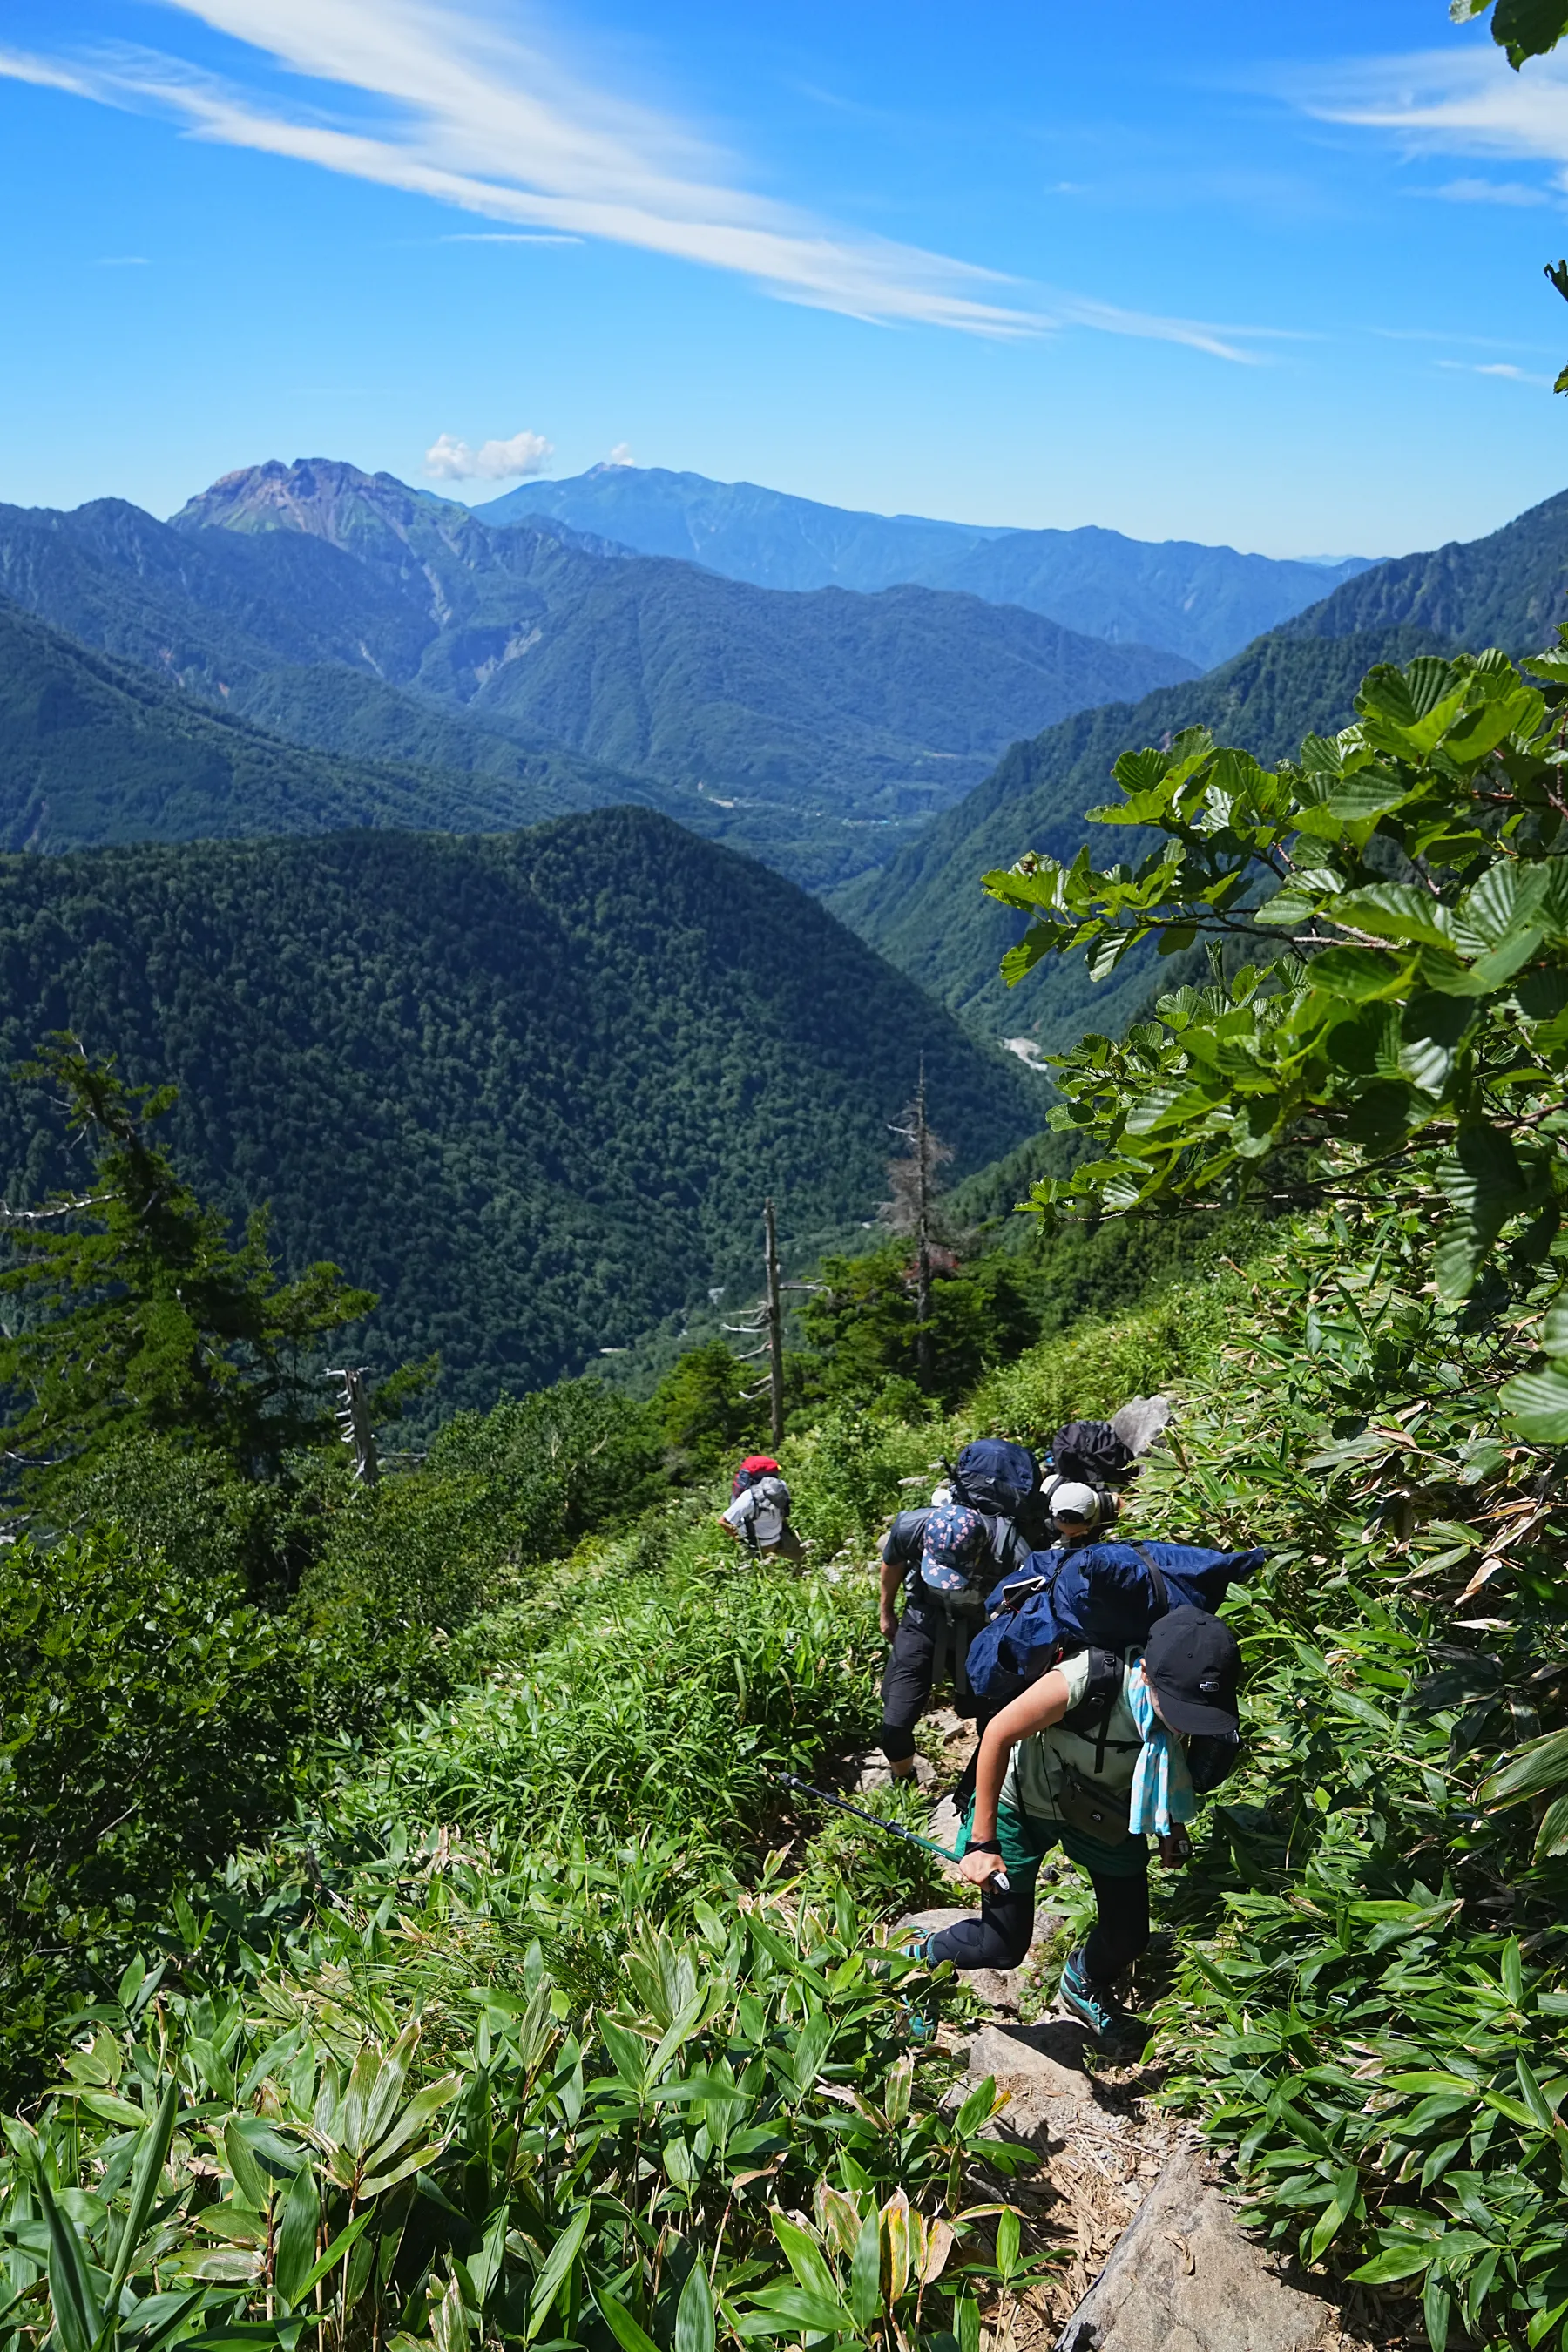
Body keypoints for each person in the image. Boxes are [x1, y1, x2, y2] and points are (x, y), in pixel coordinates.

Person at [912, 1606, 1242, 2037]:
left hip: (1105, 1808)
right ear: (1144, 1673)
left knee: (1128, 1936)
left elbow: (1166, 1762)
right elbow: (997, 1734)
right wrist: (982, 1843)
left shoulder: (1191, 1696)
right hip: (1022, 1803)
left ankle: (1082, 1980)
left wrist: (1170, 1824)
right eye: (1177, 1707)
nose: (1185, 1721)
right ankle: (923, 1954)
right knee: (1001, 1947)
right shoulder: (1087, 1679)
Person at [878, 1493, 1031, 1780]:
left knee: (991, 1715)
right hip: (924, 1618)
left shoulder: (1013, 1552)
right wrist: (886, 1611)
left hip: (982, 1631)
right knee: (894, 1722)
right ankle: (904, 1778)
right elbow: (892, 1560)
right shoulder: (912, 1528)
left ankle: (982, 1786)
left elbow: (1028, 1608)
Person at [718, 1456, 801, 1558]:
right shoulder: (749, 1497)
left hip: (780, 1536)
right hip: (758, 1545)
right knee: (761, 1572)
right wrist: (740, 1542)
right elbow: (723, 1521)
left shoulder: (781, 1486)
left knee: (804, 1560)